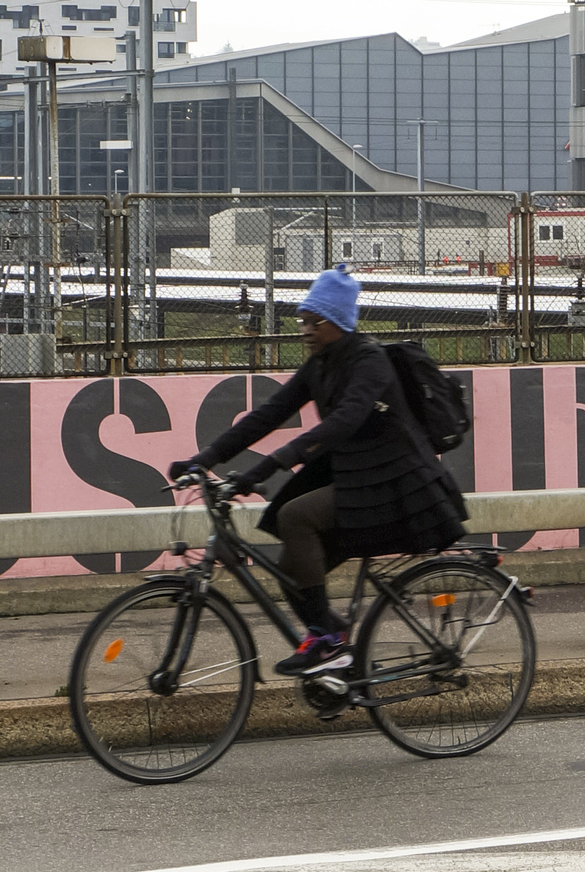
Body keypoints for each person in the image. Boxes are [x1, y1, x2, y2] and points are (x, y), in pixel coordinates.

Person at [181, 266, 467, 682]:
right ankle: (336, 652)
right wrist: (205, 458)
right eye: (304, 321)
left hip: (395, 479)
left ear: (339, 323)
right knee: (292, 568)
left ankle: (328, 643)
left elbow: (343, 423)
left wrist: (269, 465)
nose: (307, 330)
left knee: (296, 517)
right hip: (357, 474)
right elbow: (269, 413)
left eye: (316, 322)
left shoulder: (369, 361)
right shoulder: (320, 364)